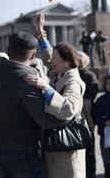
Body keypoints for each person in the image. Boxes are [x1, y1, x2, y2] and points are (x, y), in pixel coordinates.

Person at [0, 32, 68, 178]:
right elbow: (45, 120)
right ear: (33, 55)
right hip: (21, 152)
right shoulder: (27, 78)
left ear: (8, 50)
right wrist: (70, 114)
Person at [27, 14, 87, 178]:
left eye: (55, 59)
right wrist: (41, 37)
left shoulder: (73, 82)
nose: (50, 62)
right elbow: (48, 59)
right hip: (57, 147)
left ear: (67, 62)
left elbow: (69, 109)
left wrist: (46, 88)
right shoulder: (62, 72)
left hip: (66, 153)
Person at [78, 51, 99, 178]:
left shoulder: (90, 76)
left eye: (81, 60)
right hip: (78, 111)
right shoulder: (73, 73)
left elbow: (93, 92)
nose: (80, 62)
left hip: (88, 112)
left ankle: (92, 171)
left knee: (90, 143)